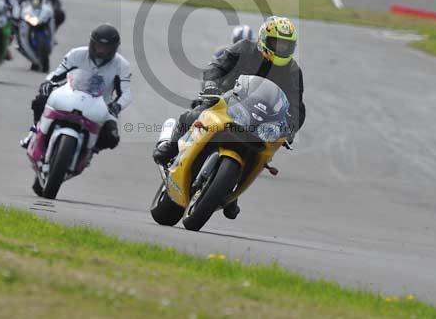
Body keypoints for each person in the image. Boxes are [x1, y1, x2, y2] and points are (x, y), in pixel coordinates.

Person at [152, 16, 305, 219]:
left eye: (287, 45)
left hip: (259, 118)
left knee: (264, 150)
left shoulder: (293, 71)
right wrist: (211, 85)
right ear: (263, 39)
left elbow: (295, 105)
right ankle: (170, 146)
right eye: (277, 43)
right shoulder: (244, 49)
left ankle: (230, 194)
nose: (281, 49)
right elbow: (216, 67)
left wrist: (290, 128)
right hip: (225, 100)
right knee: (194, 115)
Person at [20, 24, 132, 158]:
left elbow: (125, 93)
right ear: (91, 43)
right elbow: (56, 74)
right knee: (40, 101)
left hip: (101, 107)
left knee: (111, 137)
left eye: (106, 48)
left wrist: (117, 105)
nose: (101, 51)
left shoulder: (122, 65)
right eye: (98, 46)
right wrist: (48, 83)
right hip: (69, 97)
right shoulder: (76, 54)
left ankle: (89, 151)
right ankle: (34, 133)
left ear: (114, 49)